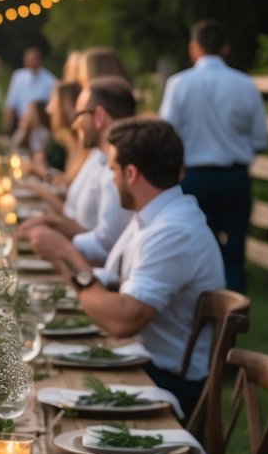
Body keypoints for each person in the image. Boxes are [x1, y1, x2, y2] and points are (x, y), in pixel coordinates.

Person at [59, 116, 226, 417]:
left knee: (54, 388)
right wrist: (68, 263)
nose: (111, 180)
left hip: (168, 383)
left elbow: (124, 320)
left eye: (113, 171)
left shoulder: (174, 231)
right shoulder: (153, 216)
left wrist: (69, 259)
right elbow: (113, 280)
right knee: (51, 373)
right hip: (144, 364)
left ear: (131, 173)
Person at [159, 18, 268, 292]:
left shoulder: (179, 84)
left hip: (193, 177)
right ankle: (233, 319)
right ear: (225, 48)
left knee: (195, 251)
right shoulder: (245, 84)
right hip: (234, 176)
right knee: (234, 252)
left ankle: (201, 315)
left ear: (194, 47)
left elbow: (166, 134)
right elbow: (260, 139)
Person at [21, 77, 135, 266]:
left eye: (79, 114)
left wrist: (57, 240)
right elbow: (77, 219)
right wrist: (52, 222)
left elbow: (108, 250)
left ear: (99, 117)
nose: (75, 124)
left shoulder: (116, 173)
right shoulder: (96, 158)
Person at [2, 46, 57, 133]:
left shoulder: (50, 80)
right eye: (30, 59)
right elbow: (11, 104)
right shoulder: (18, 77)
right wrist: (6, 129)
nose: (32, 62)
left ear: (40, 60)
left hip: (41, 127)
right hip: (22, 126)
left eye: (35, 59)